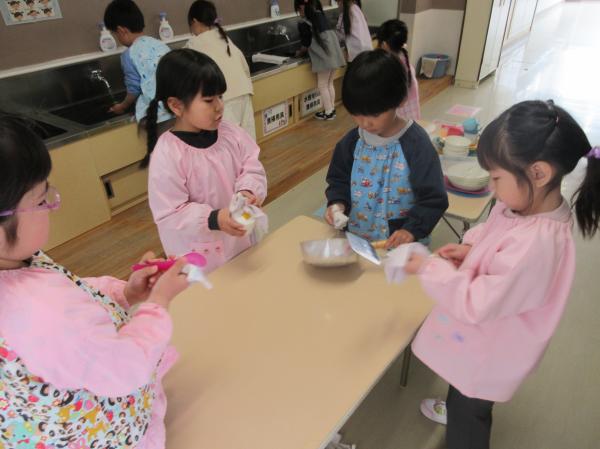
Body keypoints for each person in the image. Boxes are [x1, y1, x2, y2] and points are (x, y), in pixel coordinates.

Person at [404, 100, 600, 449]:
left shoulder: (537, 242)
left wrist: (428, 268)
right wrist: (471, 249)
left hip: (491, 350)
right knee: (463, 392)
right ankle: (458, 407)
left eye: (496, 178)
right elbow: (497, 235)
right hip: (485, 342)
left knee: (470, 413)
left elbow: (479, 302)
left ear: (539, 173)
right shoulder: (525, 205)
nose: (492, 188)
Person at [0, 113, 190, 448]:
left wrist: (125, 292)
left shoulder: (14, 264)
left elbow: (72, 292)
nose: (53, 205)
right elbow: (124, 369)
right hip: (108, 430)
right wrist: (158, 303)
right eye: (41, 200)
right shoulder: (41, 312)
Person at [145, 49, 267, 273]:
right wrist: (212, 218)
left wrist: (248, 190)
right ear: (176, 106)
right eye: (209, 100)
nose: (219, 106)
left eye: (220, 96)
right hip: (201, 256)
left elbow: (251, 165)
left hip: (240, 243)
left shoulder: (230, 133)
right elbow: (170, 213)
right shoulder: (168, 153)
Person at [325, 49, 448, 248]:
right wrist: (337, 204)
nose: (365, 123)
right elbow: (339, 181)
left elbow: (433, 198)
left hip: (401, 244)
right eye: (356, 114)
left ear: (400, 100)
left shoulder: (416, 145)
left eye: (374, 114)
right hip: (356, 238)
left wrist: (411, 230)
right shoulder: (352, 142)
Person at [185, 0, 257, 140]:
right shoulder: (224, 37)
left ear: (194, 21)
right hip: (244, 92)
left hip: (224, 99)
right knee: (247, 140)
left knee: (226, 143)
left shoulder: (193, 44)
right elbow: (245, 67)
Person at [104, 0, 171, 127]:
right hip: (176, 108)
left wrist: (122, 106)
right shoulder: (160, 45)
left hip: (156, 116)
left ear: (121, 31)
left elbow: (134, 90)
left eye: (115, 34)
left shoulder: (129, 55)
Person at [295, 0, 346, 121]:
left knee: (322, 84)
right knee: (329, 83)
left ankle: (328, 112)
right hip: (334, 56)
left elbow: (305, 44)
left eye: (298, 10)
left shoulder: (305, 23)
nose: (299, 13)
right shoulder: (321, 16)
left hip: (325, 59)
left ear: (302, 7)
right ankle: (331, 109)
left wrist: (299, 53)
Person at [377, 19, 420, 120]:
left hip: (398, 118)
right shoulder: (404, 59)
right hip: (411, 115)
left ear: (384, 45)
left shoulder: (390, 67)